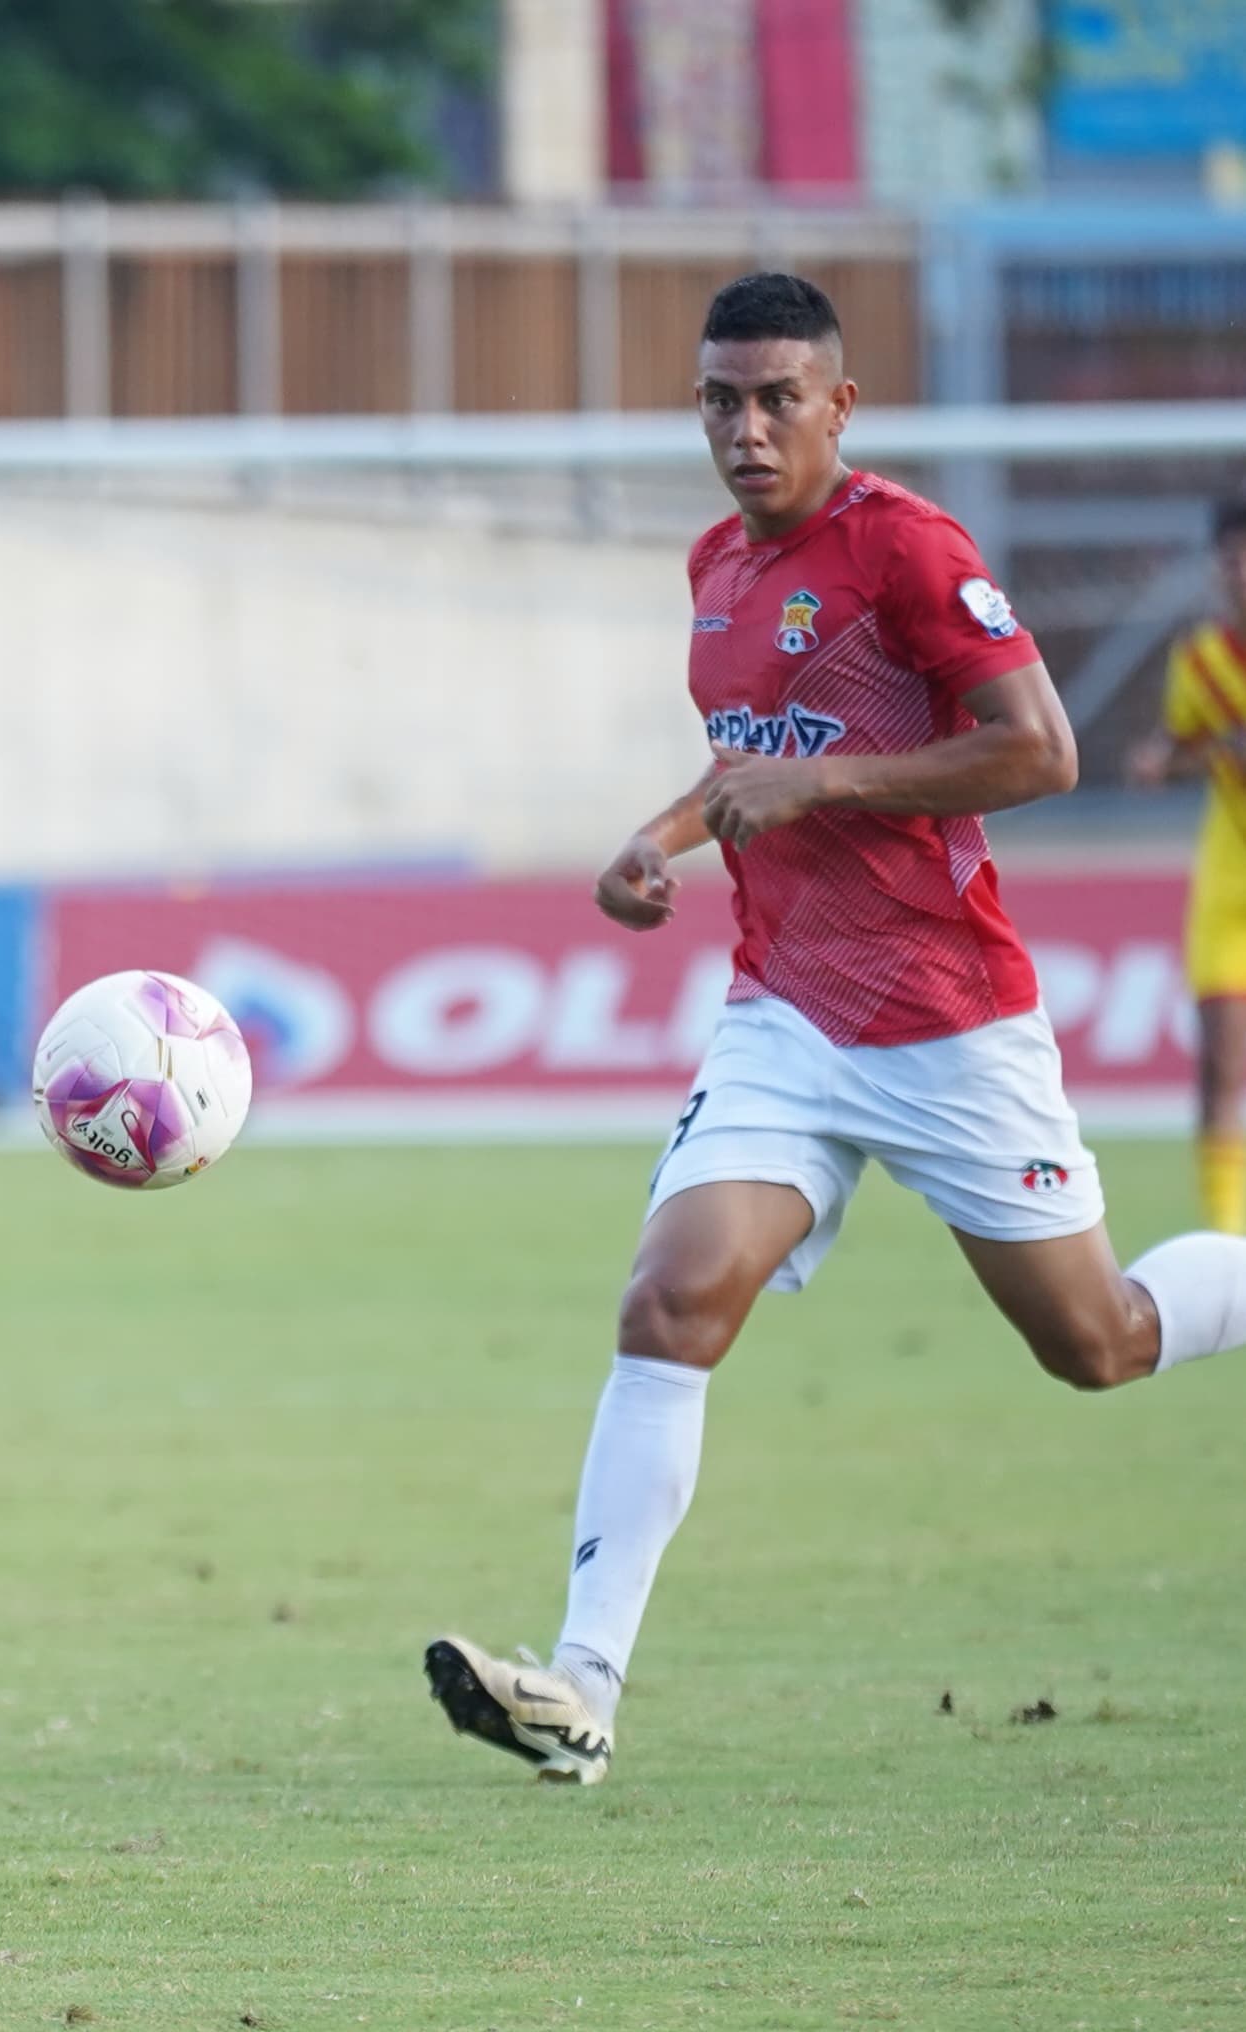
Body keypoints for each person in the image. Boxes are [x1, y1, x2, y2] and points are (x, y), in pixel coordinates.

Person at [425, 274, 1246, 1784]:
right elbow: (749, 757)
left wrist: (823, 790)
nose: (743, 430)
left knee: (1097, 1344)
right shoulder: (715, 570)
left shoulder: (905, 548)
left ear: (835, 405)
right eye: (717, 402)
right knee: (666, 1303)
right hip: (782, 1014)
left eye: (773, 399)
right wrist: (657, 838)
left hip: (947, 1022)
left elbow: (1039, 751)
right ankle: (580, 1689)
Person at [1125, 492, 1246, 1232]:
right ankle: (1229, 1247)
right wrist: (1161, 760)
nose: (1239, 574)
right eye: (1230, 560)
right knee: (1221, 1069)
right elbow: (1178, 747)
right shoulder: (1197, 660)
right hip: (1229, 888)